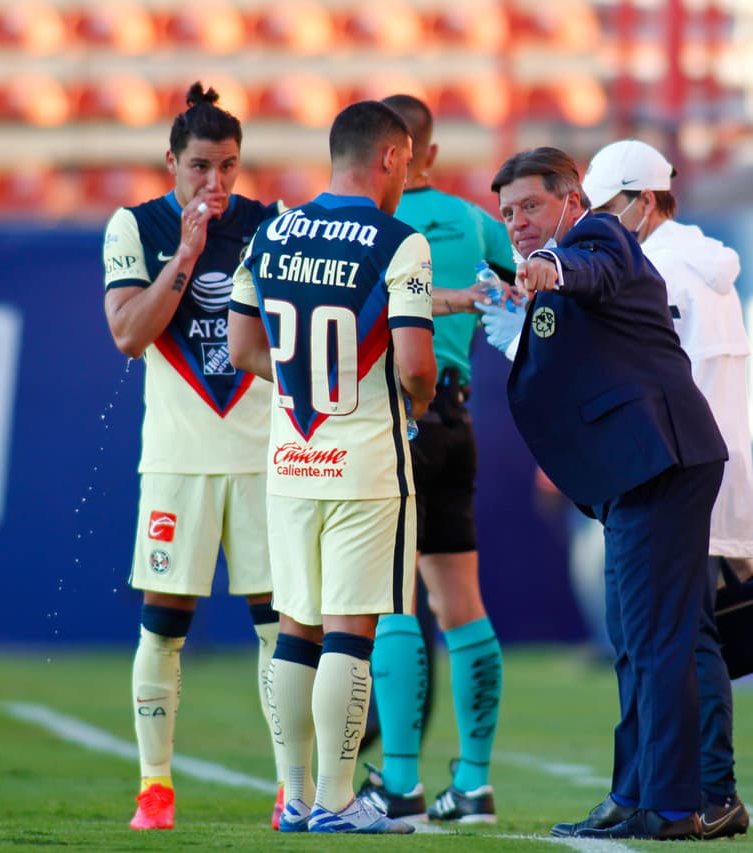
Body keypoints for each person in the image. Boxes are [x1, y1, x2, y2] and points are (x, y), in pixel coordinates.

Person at [485, 147, 728, 841]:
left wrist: (551, 269)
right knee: (635, 640)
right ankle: (634, 791)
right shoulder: (560, 272)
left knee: (656, 639)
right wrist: (520, 325)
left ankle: (674, 805)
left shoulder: (599, 235)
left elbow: (592, 266)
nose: (518, 222)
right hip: (635, 468)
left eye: (530, 205)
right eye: (507, 212)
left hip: (661, 459)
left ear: (571, 199)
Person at [227, 99, 436, 835]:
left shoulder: (272, 231)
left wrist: (300, 385)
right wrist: (419, 396)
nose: (406, 176)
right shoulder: (399, 243)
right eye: (407, 162)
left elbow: (243, 347)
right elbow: (414, 366)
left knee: (295, 629)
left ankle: (293, 794)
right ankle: (339, 799)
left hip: (290, 454)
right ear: (389, 156)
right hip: (364, 460)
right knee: (351, 631)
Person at [100, 82, 288, 831]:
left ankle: (291, 785)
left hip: (262, 457)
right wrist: (184, 254)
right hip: (178, 458)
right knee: (163, 625)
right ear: (171, 161)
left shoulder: (270, 227)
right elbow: (129, 335)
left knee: (280, 625)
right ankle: (155, 787)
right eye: (201, 166)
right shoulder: (134, 227)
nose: (216, 183)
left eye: (230, 167)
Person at [580, 137, 753, 839]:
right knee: (670, 636)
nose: (597, 223)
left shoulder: (664, 267)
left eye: (606, 208)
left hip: (675, 468)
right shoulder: (688, 262)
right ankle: (669, 786)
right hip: (693, 464)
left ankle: (707, 788)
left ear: (643, 200)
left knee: (681, 638)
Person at [353, 93, 511, 824]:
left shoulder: (367, 229)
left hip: (394, 419)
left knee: (393, 604)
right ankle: (473, 782)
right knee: (464, 608)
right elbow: (519, 291)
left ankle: (402, 781)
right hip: (458, 418)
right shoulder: (477, 222)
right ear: (430, 154)